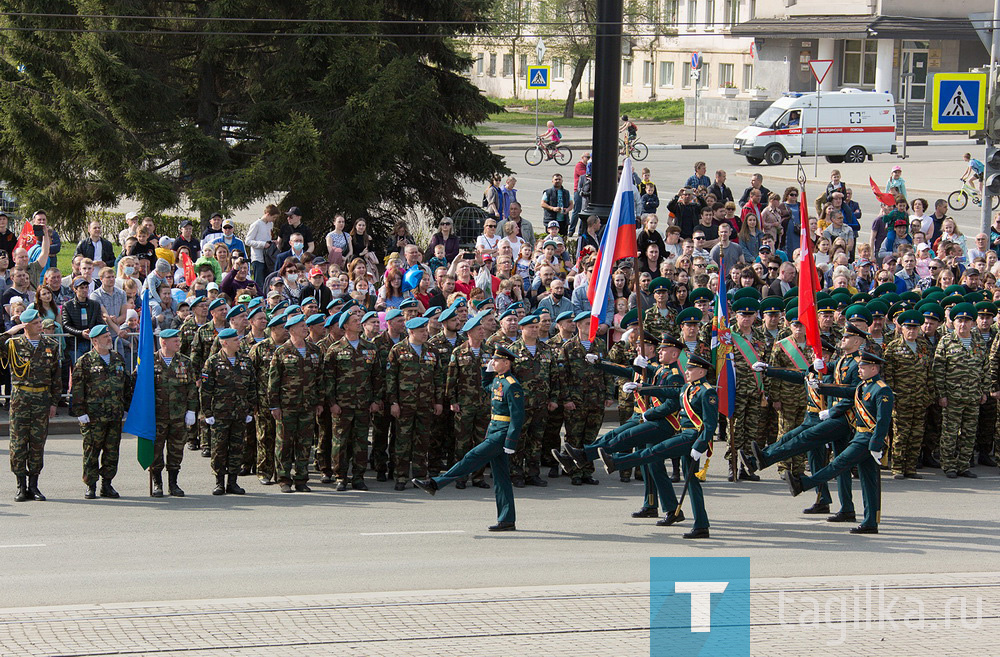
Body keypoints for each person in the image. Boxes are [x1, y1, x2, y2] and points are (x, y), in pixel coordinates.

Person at [596, 353, 719, 539]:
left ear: (701, 371)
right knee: (691, 482)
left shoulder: (707, 392)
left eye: (690, 369)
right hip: (685, 435)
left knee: (655, 452)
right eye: (687, 368)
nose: (686, 371)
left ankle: (617, 462)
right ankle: (701, 525)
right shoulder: (688, 387)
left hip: (692, 437)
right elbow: (665, 391)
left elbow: (710, 424)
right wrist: (641, 388)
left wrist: (700, 445)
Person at [413, 343, 523, 531]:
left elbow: (518, 415)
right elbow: (486, 386)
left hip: (502, 434)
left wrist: (511, 441)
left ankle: (436, 484)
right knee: (501, 478)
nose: (492, 362)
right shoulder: (498, 380)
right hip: (494, 429)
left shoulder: (512, 385)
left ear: (506, 363)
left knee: (472, 457)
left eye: (496, 360)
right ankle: (507, 519)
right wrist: (487, 371)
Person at [786, 351, 891, 535]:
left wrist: (876, 445)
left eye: (863, 367)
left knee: (839, 463)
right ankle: (870, 522)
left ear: (874, 368)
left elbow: (883, 422)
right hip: (860, 436)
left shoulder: (882, 390)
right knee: (868, 482)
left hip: (868, 440)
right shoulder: (863, 386)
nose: (859, 369)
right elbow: (844, 391)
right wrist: (821, 387)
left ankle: (804, 484)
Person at [1, 309, 60, 502]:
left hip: (41, 398)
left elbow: (56, 377)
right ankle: (20, 485)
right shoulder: (14, 344)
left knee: (37, 443)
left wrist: (53, 402)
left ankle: (34, 485)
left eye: (40, 321)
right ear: (25, 325)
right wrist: (11, 331)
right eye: (36, 323)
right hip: (21, 398)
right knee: (18, 443)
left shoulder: (51, 345)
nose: (40, 325)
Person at [70, 324, 134, 500]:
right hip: (93, 416)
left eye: (109, 336)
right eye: (105, 337)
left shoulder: (117, 358)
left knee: (112, 451)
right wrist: (80, 411)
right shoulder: (85, 361)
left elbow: (126, 386)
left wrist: (130, 408)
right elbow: (77, 389)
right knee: (92, 451)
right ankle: (91, 485)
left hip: (114, 414)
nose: (109, 339)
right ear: (95, 341)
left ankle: (107, 484)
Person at [267, 314, 324, 493]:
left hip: (308, 405)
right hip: (287, 406)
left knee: (305, 443)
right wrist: (274, 405)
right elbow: (273, 381)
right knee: (284, 443)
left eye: (305, 325)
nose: (305, 328)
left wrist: (320, 401)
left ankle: (301, 478)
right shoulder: (282, 352)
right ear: (291, 330)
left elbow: (320, 379)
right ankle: (284, 478)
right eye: (301, 326)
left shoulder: (315, 350)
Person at [386, 316, 443, 490]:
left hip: (425, 403)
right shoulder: (398, 350)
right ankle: (401, 476)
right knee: (402, 441)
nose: (425, 333)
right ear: (411, 332)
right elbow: (391, 379)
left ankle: (419, 475)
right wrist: (393, 402)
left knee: (422, 440)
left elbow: (438, 378)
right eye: (421, 331)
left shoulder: (432, 350)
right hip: (405, 404)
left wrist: (438, 401)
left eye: (425, 330)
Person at [933, 302, 989, 478]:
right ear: (954, 322)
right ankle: (949, 465)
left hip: (973, 396)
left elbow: (985, 368)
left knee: (969, 433)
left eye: (967, 321)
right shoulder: (946, 341)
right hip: (952, 396)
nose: (963, 324)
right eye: (959, 321)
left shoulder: (979, 341)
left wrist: (984, 391)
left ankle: (963, 465)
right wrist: (941, 395)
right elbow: (938, 370)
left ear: (972, 323)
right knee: (950, 433)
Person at [201, 327, 256, 495]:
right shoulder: (213, 362)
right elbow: (205, 390)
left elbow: (252, 387)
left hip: (239, 412)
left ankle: (233, 482)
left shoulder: (245, 361)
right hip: (220, 414)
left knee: (237, 447)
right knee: (219, 448)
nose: (238, 342)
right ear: (224, 343)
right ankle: (219, 482)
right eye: (235, 340)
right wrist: (207, 413)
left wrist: (250, 410)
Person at [149, 328, 198, 497]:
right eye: (175, 341)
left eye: (178, 340)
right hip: (156, 415)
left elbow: (192, 387)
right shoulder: (150, 361)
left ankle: (173, 483)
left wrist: (191, 410)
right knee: (156, 451)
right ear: (164, 342)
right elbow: (138, 386)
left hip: (178, 414)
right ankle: (157, 483)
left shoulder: (185, 362)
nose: (179, 343)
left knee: (176, 450)